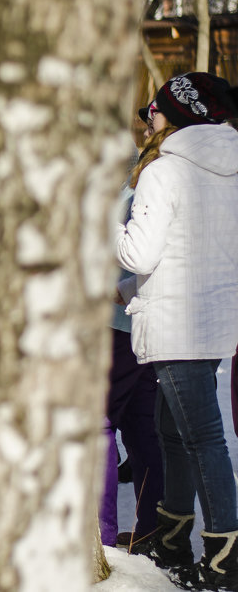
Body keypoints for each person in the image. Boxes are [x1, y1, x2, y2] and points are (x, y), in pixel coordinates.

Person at [115, 73, 238, 589]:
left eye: (155, 110)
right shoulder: (229, 165)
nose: (148, 118)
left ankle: (223, 560)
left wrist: (101, 218)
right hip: (212, 320)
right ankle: (169, 541)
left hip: (177, 324)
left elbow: (137, 253)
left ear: (179, 115)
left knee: (202, 439)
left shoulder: (165, 173)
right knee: (174, 433)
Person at [100, 119, 162, 552]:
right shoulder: (137, 192)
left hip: (115, 327)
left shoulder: (116, 201)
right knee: (143, 429)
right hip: (142, 326)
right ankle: (154, 530)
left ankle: (98, 534)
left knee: (96, 425)